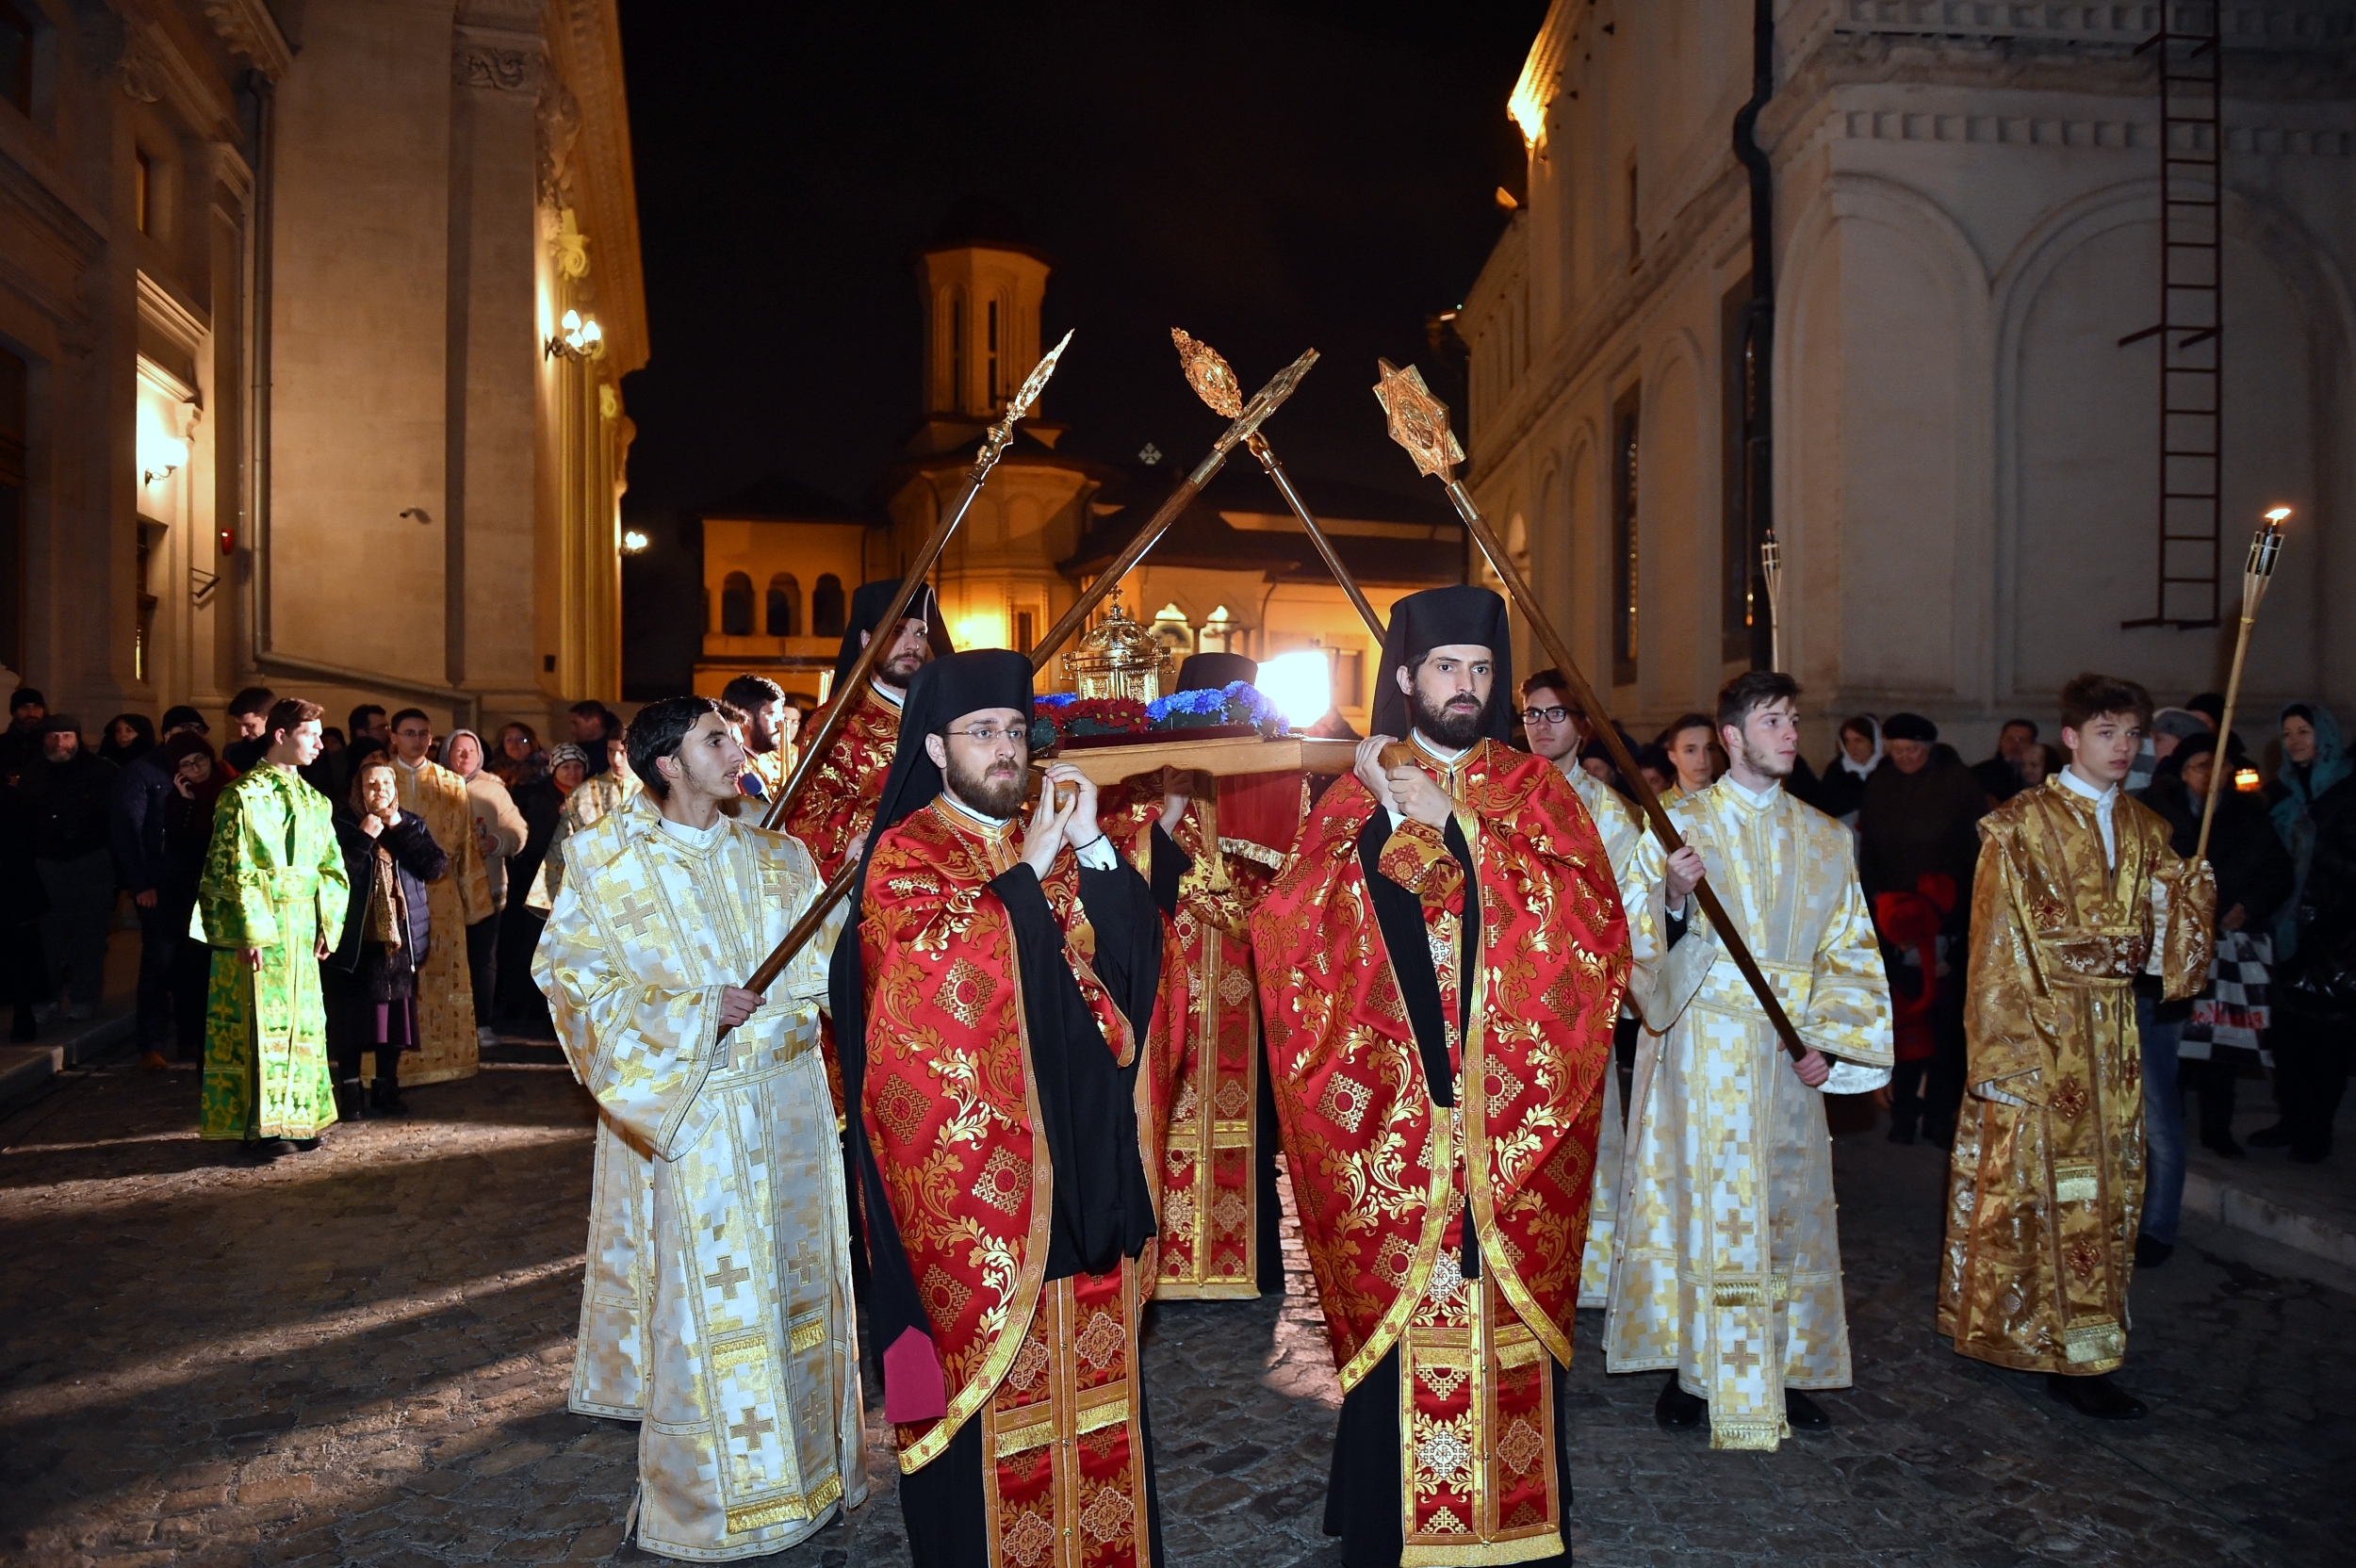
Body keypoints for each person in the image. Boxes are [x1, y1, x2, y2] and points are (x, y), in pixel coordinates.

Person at [1252, 587, 1626, 1565]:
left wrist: (1458, 823)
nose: (1466, 686)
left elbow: (1590, 932)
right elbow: (1288, 939)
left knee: (1508, 1326)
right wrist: (1388, 818)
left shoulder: (1533, 790)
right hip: (1393, 1118)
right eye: (1447, 666)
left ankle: (1518, 1531)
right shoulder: (1352, 792)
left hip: (1511, 1118)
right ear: (1407, 677)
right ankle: (1385, 1529)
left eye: (1481, 669)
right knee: (1398, 1328)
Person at [836, 650, 1163, 1568]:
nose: (1004, 748)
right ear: (936, 745)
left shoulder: (1045, 843)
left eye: (1015, 730)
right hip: (979, 1197)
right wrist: (1027, 870)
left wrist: (1093, 847)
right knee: (988, 1432)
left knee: (1095, 1406)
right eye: (983, 731)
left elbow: (1130, 972)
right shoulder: (905, 854)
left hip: (1086, 1179)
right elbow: (930, 989)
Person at [532, 695, 864, 1558]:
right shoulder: (606, 863)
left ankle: (815, 1478)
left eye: (733, 734)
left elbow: (835, 969)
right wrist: (692, 1013)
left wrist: (861, 895)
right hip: (705, 1118)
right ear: (667, 765)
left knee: (801, 1300)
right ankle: (721, 1505)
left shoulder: (781, 855)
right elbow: (572, 985)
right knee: (721, 1311)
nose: (737, 748)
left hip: (791, 1113)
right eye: (714, 740)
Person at [1606, 671, 1893, 1450]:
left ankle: (1779, 1363)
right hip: (1703, 1049)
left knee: (1786, 1214)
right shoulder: (1676, 828)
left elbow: (1850, 953)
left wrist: (1829, 1045)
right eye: (1773, 721)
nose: (1790, 733)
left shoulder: (1828, 839)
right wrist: (1671, 897)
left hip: (1786, 1057)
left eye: (1793, 720)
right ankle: (1694, 1369)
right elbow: (1630, 942)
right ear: (1732, 738)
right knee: (1701, 1206)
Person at [1939, 674, 2214, 1418]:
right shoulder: (2018, 827)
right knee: (2036, 1193)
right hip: (2043, 1032)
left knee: (2111, 1190)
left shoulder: (2147, 829)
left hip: (2116, 1037)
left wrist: (2188, 899)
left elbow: (2169, 963)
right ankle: (2038, 1338)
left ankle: (2086, 1348)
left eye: (2131, 734)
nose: (2121, 748)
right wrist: (2001, 1056)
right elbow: (1993, 945)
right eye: (2105, 733)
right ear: (2070, 737)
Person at [1099, 650, 1293, 1299]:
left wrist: (1203, 873)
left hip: (1241, 980)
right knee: (1154, 1109)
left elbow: (1277, 892)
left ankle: (1247, 1262)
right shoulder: (1141, 779)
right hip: (1161, 976)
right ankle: (1163, 1267)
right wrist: (1170, 820)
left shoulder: (1269, 780)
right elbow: (1118, 868)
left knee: (1248, 1128)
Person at [2135, 735, 2292, 1214]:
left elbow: (2276, 872)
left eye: (2221, 766)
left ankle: (2217, 1129)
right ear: (2183, 771)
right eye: (2203, 766)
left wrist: (2247, 906)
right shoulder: (2154, 814)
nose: (2213, 775)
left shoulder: (2249, 814)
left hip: (2225, 945)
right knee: (2166, 1061)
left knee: (2220, 1037)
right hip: (2168, 953)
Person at [195, 699, 348, 1159]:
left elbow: (332, 869)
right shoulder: (240, 796)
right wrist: (250, 931)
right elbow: (231, 869)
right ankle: (259, 1126)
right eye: (311, 734)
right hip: (262, 929)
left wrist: (327, 921)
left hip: (302, 928)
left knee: (305, 1023)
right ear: (281, 735)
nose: (321, 744)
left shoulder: (315, 801)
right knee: (257, 1023)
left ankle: (300, 1120)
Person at [1857, 711, 1987, 1143]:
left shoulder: (1958, 784)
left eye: (1913, 751)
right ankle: (1902, 1113)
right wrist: (1881, 910)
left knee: (1946, 1028)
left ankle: (1939, 1116)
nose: (1905, 758)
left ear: (1929, 749)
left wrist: (1947, 920)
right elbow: (1869, 852)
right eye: (1896, 751)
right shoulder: (1881, 783)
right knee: (1903, 1023)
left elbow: (1973, 859)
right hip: (1894, 924)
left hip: (1945, 925)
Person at [782, 580, 952, 878]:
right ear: (866, 639)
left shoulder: (949, 716)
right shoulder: (834, 724)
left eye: (920, 633)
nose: (912, 645)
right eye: (898, 631)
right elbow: (809, 816)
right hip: (880, 877)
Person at [323, 755, 447, 1119]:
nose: (380, 791)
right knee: (350, 1021)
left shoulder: (409, 822)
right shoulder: (341, 822)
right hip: (354, 941)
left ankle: (386, 1087)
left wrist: (399, 827)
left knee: (392, 1021)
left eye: (387, 784)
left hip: (399, 939)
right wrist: (364, 837)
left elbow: (435, 866)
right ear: (358, 791)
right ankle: (350, 1092)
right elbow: (334, 872)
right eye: (372, 785)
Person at [2258, 701, 2354, 1161]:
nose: (2296, 741)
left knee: (2326, 1042)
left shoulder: (2347, 792)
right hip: (2286, 931)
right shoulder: (2282, 792)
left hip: (2335, 936)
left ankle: (2316, 1129)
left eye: (2304, 731)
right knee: (2288, 1037)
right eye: (2289, 732)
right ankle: (2291, 1118)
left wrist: (2314, 842)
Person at [385, 709, 494, 1086]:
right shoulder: (379, 781)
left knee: (441, 970)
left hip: (441, 890)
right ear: (393, 736)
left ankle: (445, 1057)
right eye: (409, 732)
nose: (416, 740)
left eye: (423, 734)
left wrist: (473, 900)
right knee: (395, 976)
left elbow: (466, 842)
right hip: (393, 889)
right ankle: (390, 1065)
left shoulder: (451, 782)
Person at [22, 716, 120, 1022]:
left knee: (87, 937)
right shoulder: (33, 772)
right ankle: (47, 998)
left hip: (89, 862)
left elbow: (115, 820)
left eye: (66, 736)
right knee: (47, 937)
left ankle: (84, 998)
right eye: (53, 737)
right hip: (46, 864)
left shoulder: (102, 771)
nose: (60, 744)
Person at [442, 728, 527, 1052]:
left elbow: (517, 828)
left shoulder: (494, 790)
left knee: (482, 958)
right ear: (447, 753)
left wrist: (498, 841)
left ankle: (481, 1022)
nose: (465, 757)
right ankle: (448, 1022)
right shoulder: (431, 785)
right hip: (440, 889)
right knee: (445, 957)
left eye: (471, 751)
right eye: (459, 751)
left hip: (485, 886)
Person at [155, 733, 234, 1064]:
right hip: (191, 895)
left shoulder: (231, 785)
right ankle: (194, 1039)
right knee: (190, 971)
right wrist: (186, 803)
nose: (195, 769)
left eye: (199, 760)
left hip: (228, 894)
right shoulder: (179, 798)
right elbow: (178, 848)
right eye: (185, 764)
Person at [526, 732, 636, 914]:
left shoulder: (655, 791)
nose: (616, 759)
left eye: (623, 752)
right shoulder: (581, 794)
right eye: (610, 751)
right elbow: (563, 851)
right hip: (596, 890)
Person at [721, 673, 794, 801]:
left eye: (780, 716)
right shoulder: (730, 768)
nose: (780, 724)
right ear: (744, 717)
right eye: (771, 714)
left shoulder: (773, 760)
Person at [1812, 715, 1883, 825]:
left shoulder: (1886, 769)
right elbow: (1823, 807)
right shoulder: (1837, 769)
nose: (1852, 747)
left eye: (1858, 740)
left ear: (1874, 742)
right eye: (1847, 741)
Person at [1971, 718, 2038, 806]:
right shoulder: (1980, 774)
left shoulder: (2039, 776)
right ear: (2001, 741)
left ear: (2032, 744)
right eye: (2010, 739)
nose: (2015, 745)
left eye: (2022, 740)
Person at [1660, 711, 1717, 801]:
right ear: (1673, 756)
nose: (1702, 759)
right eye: (1690, 750)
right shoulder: (1657, 809)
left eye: (1709, 749)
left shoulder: (1736, 801)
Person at [219, 687, 277, 773]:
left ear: (270, 719)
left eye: (250, 725)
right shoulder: (231, 752)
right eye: (239, 725)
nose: (242, 733)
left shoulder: (285, 754)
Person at [3, 686, 49, 774]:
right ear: (14, 712)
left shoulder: (55, 742)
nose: (31, 713)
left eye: (36, 707)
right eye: (24, 707)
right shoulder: (3, 744)